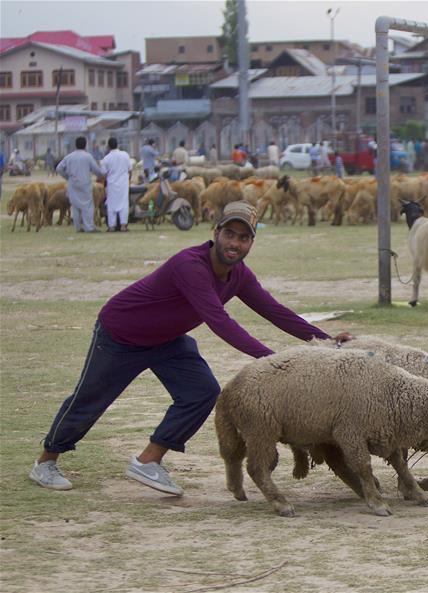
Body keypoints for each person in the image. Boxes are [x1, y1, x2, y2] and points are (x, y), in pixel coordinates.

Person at [29, 201, 354, 496]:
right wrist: (272, 361)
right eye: (229, 234)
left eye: (243, 238)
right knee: (90, 399)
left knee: (202, 392)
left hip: (166, 340)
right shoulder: (191, 265)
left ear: (251, 243)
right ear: (216, 234)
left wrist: (325, 341)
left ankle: (148, 461)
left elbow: (275, 311)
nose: (235, 243)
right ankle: (46, 461)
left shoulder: (238, 275)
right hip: (120, 335)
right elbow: (219, 321)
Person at [56, 136, 104, 233]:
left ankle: (78, 227)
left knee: (75, 206)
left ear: (75, 145)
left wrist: (67, 177)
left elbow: (59, 168)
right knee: (87, 205)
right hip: (85, 183)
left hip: (72, 183)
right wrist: (101, 175)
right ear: (85, 145)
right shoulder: (88, 156)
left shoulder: (69, 156)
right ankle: (89, 227)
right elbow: (97, 170)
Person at [100, 137, 132, 232]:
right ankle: (123, 225)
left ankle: (112, 226)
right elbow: (130, 170)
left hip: (112, 184)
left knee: (111, 205)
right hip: (123, 184)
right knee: (124, 204)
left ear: (108, 146)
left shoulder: (106, 158)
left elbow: (104, 174)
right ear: (117, 144)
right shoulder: (125, 155)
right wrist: (128, 180)